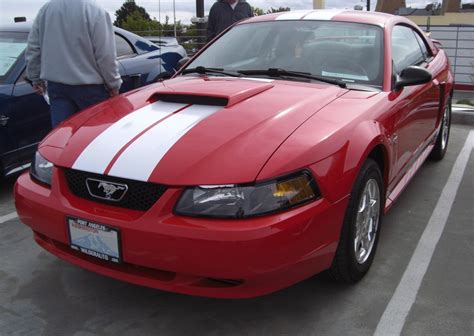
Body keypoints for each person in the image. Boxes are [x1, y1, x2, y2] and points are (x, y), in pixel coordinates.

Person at [26, 0, 122, 127]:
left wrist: (35, 78)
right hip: (91, 89)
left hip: (57, 88)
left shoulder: (46, 10)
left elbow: (33, 48)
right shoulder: (95, 11)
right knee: (93, 137)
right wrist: (114, 84)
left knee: (62, 137)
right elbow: (106, 55)